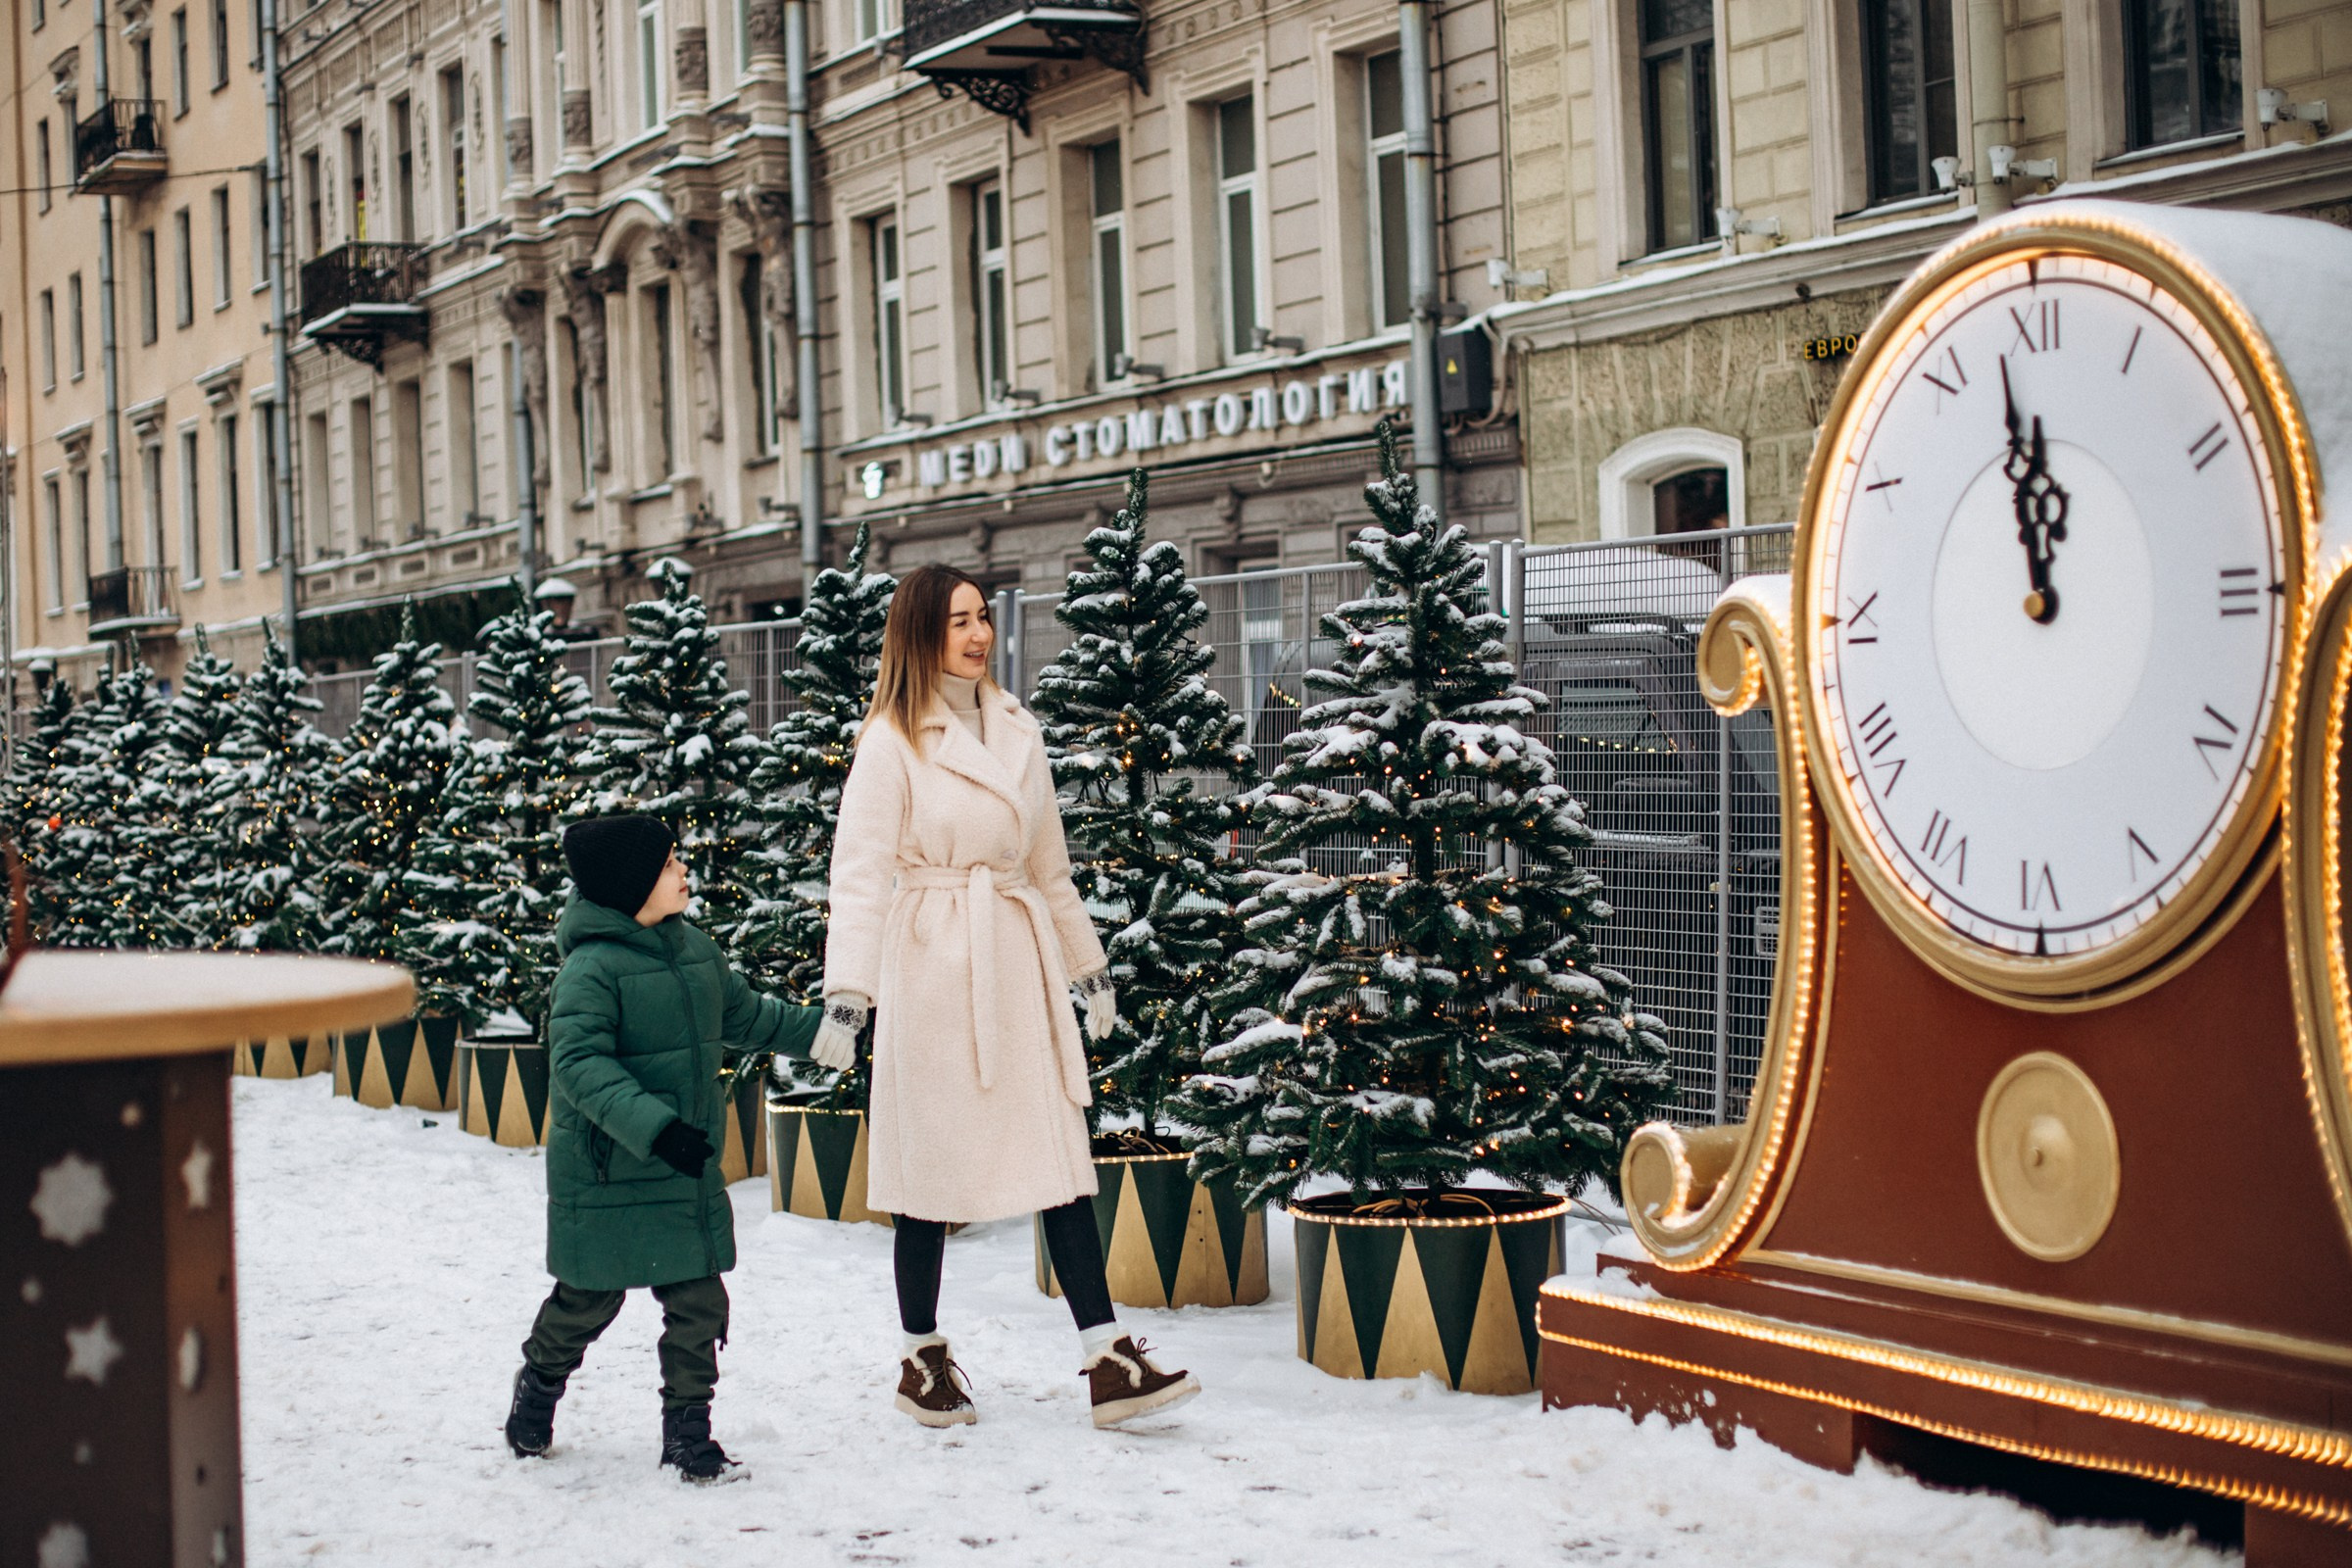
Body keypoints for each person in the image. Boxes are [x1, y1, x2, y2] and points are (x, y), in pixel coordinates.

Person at [812, 564, 1201, 1431]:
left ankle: (1106, 1357)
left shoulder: (1018, 728)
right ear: (921, 634)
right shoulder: (890, 739)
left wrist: (1085, 965)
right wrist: (849, 994)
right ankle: (922, 1355)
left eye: (982, 617)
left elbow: (1047, 868)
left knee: (1059, 1161)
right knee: (928, 1173)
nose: (978, 634)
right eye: (957, 622)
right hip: (931, 959)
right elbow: (862, 875)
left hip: (1013, 959)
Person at [504, 813, 822, 1482]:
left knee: (699, 1302)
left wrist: (832, 1034)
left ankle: (688, 1429)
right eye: (670, 862)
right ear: (631, 884)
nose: (685, 871)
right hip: (610, 1171)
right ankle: (538, 1382)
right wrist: (657, 1129)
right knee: (587, 1302)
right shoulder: (589, 971)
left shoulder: (693, 951)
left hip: (683, 1167)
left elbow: (751, 1016)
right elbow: (580, 1066)